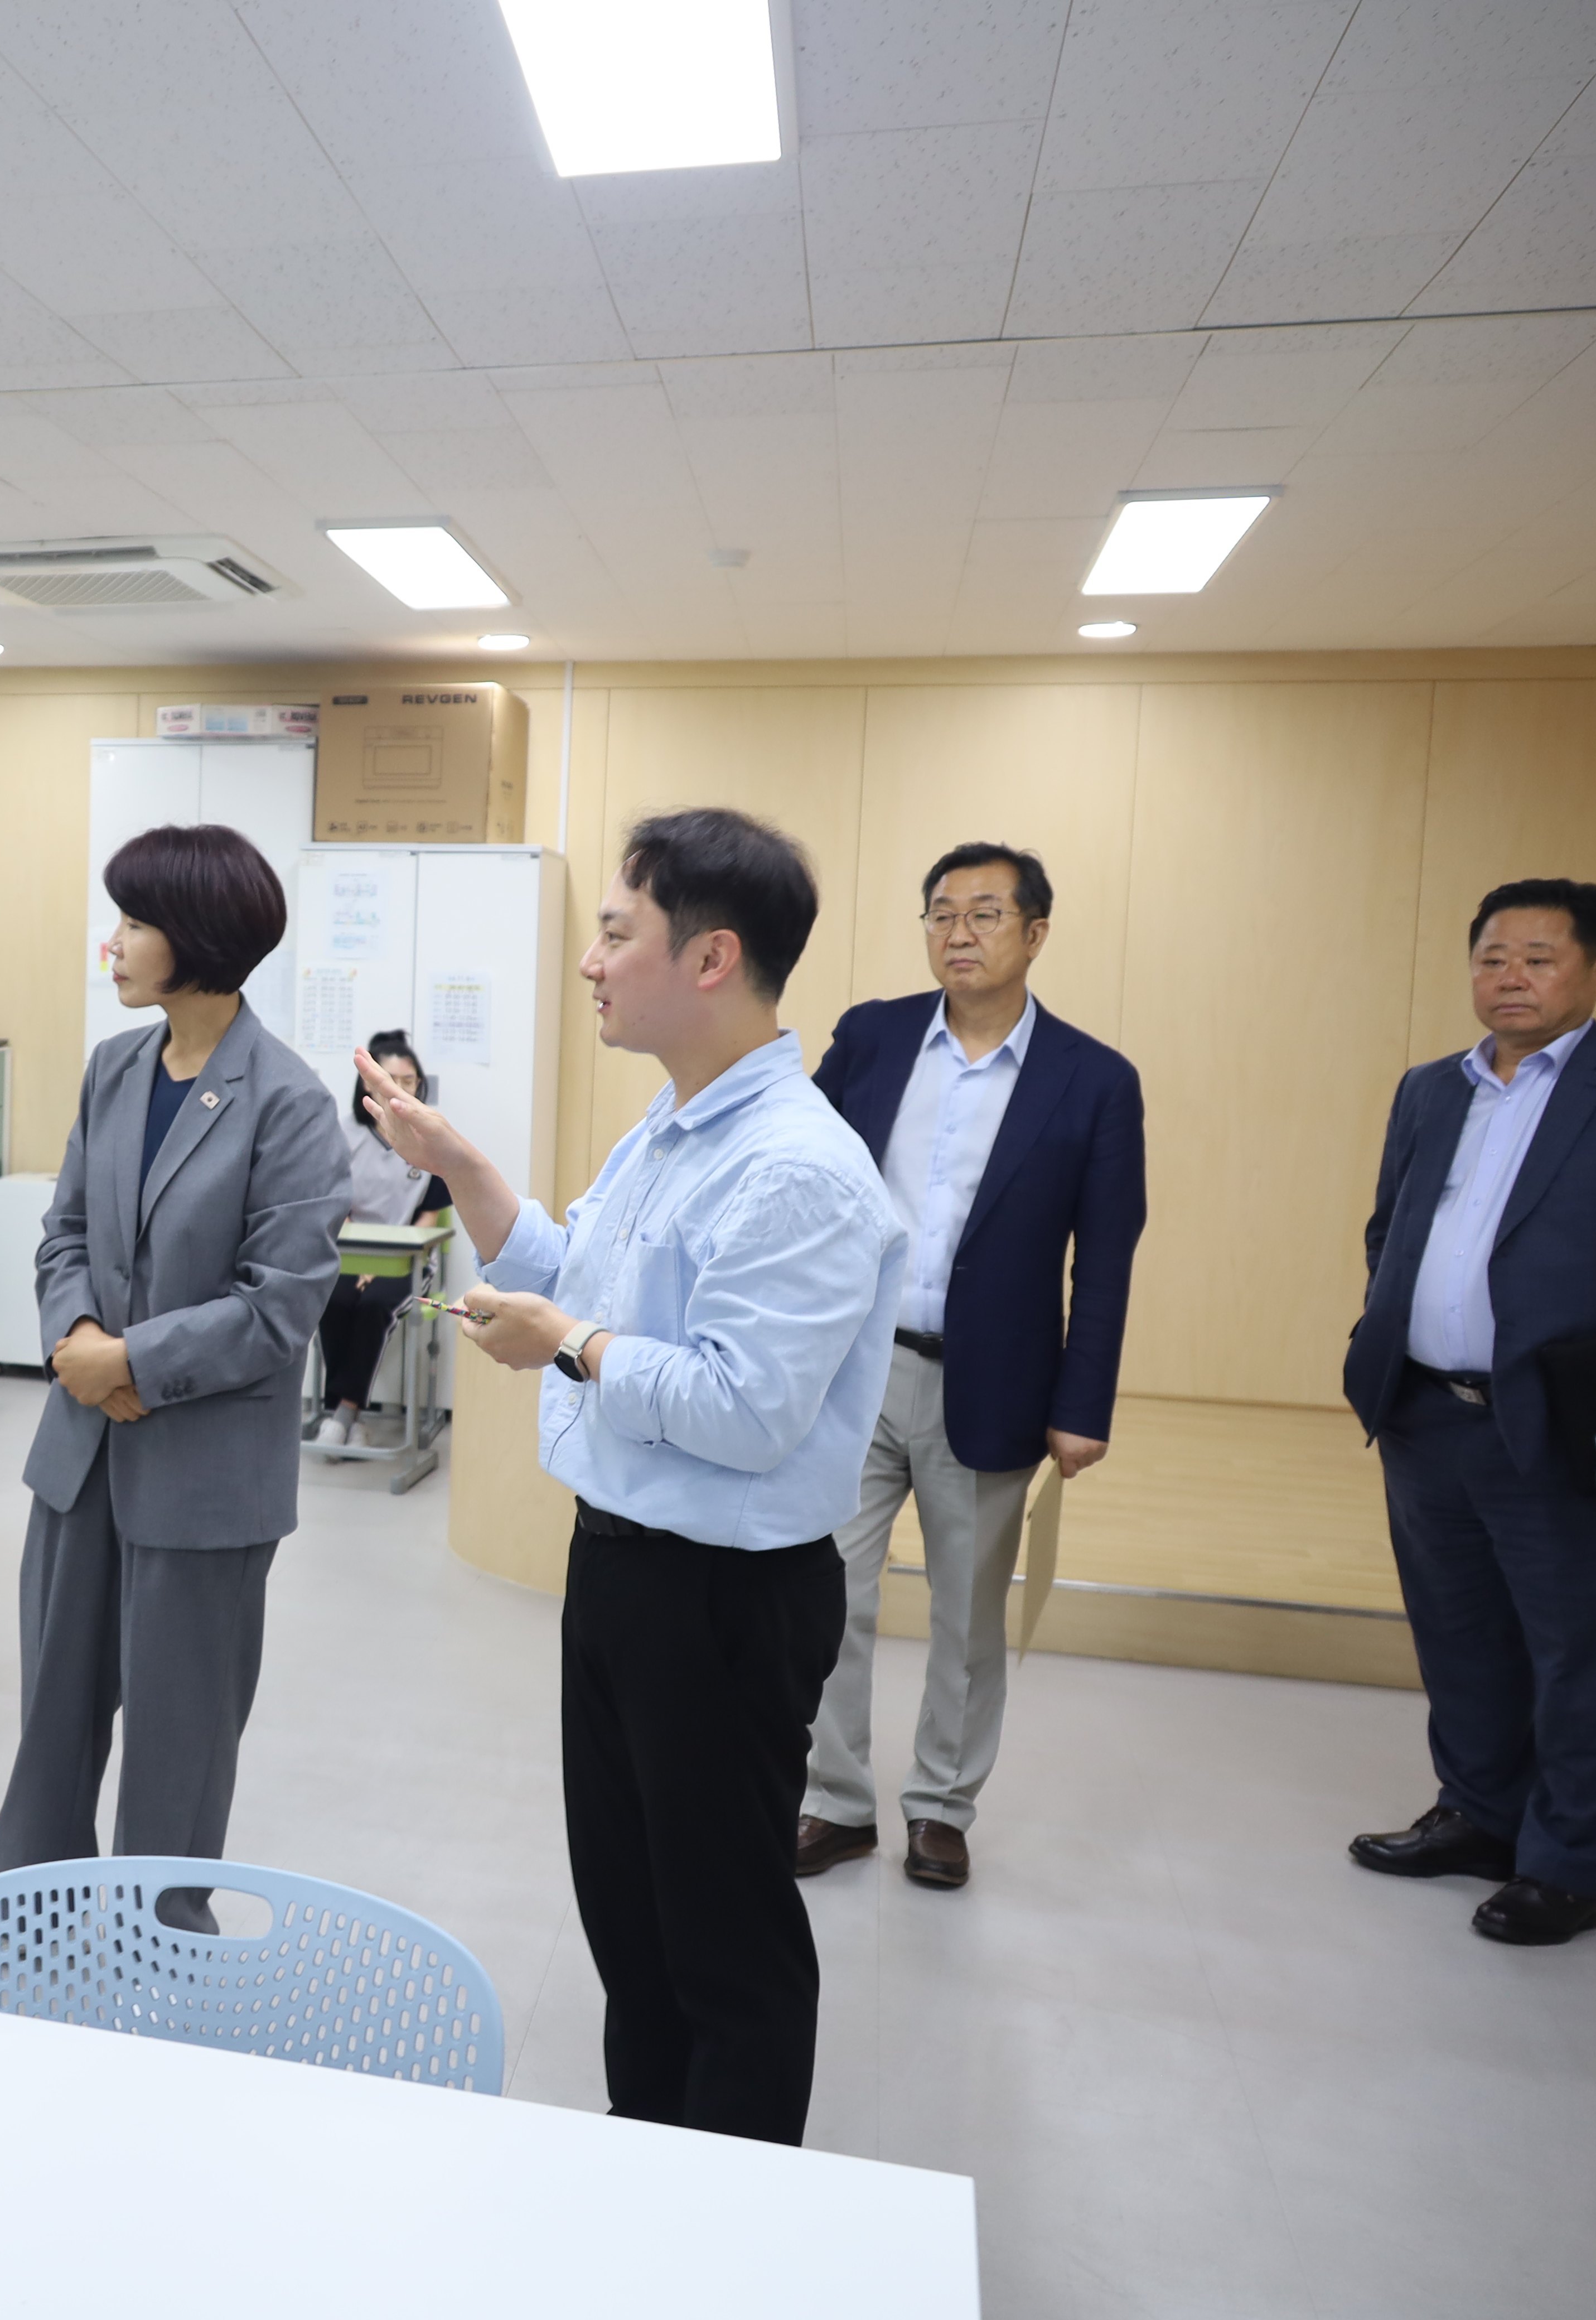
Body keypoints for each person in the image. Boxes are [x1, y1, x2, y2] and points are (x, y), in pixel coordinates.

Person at [355, 807, 902, 2145]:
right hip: (622, 1570)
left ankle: (725, 2205)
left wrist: (572, 1345)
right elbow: (571, 1268)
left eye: (614, 935)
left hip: (723, 1596)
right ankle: (646, 2162)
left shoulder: (798, 1169)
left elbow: (746, 1410)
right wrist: (460, 1166)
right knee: (633, 1920)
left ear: (711, 958)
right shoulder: (673, 1125)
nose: (592, 963)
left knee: (723, 1943)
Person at [1342, 878, 1596, 1946]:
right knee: (1459, 1633)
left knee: (1584, 1649)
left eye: (1539, 958)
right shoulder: (1430, 1090)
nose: (1510, 977)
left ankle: (1569, 1864)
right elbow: (1391, 1230)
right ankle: (1481, 1814)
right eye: (1492, 957)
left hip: (1578, 1419)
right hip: (1427, 1412)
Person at [0, 824, 346, 1913]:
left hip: (204, 1479)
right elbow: (64, 1232)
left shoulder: (287, 1100)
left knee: (178, 1747)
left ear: (197, 938)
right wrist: (75, 1342)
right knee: (51, 1724)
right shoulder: (114, 1069)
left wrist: (128, 1360)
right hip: (80, 1462)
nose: (114, 942)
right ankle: (35, 1930)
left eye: (136, 921)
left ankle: (165, 1952)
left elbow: (280, 1302)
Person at [795, 844, 1146, 1890]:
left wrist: (1084, 1405)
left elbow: (1106, 1258)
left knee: (965, 1616)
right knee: (826, 1597)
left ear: (1035, 934)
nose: (959, 932)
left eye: (985, 914)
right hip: (855, 1371)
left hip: (992, 1386)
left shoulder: (1094, 1079)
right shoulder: (872, 1036)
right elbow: (798, 1171)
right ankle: (834, 1801)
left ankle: (941, 1809)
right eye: (942, 913)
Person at [309, 1029, 452, 1454]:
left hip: (408, 1260)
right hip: (349, 1253)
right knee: (333, 1300)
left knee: (374, 1305)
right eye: (392, 1080)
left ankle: (342, 1414)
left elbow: (428, 1220)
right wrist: (364, 1259)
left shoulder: (431, 1138)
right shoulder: (344, 1134)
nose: (402, 1089)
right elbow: (337, 1207)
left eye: (410, 1081)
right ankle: (347, 1416)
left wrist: (387, 1261)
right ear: (369, 1084)